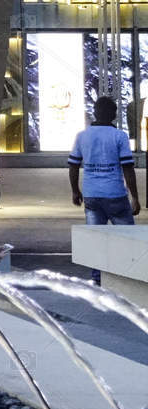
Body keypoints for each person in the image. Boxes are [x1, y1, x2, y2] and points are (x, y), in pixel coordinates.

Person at [68, 96, 141, 284]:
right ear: (114, 115)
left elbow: (73, 166)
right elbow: (127, 168)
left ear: (95, 112)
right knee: (128, 239)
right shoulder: (119, 136)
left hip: (92, 196)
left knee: (96, 239)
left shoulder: (82, 136)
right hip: (115, 195)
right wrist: (135, 197)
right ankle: (128, 276)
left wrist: (75, 191)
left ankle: (97, 280)